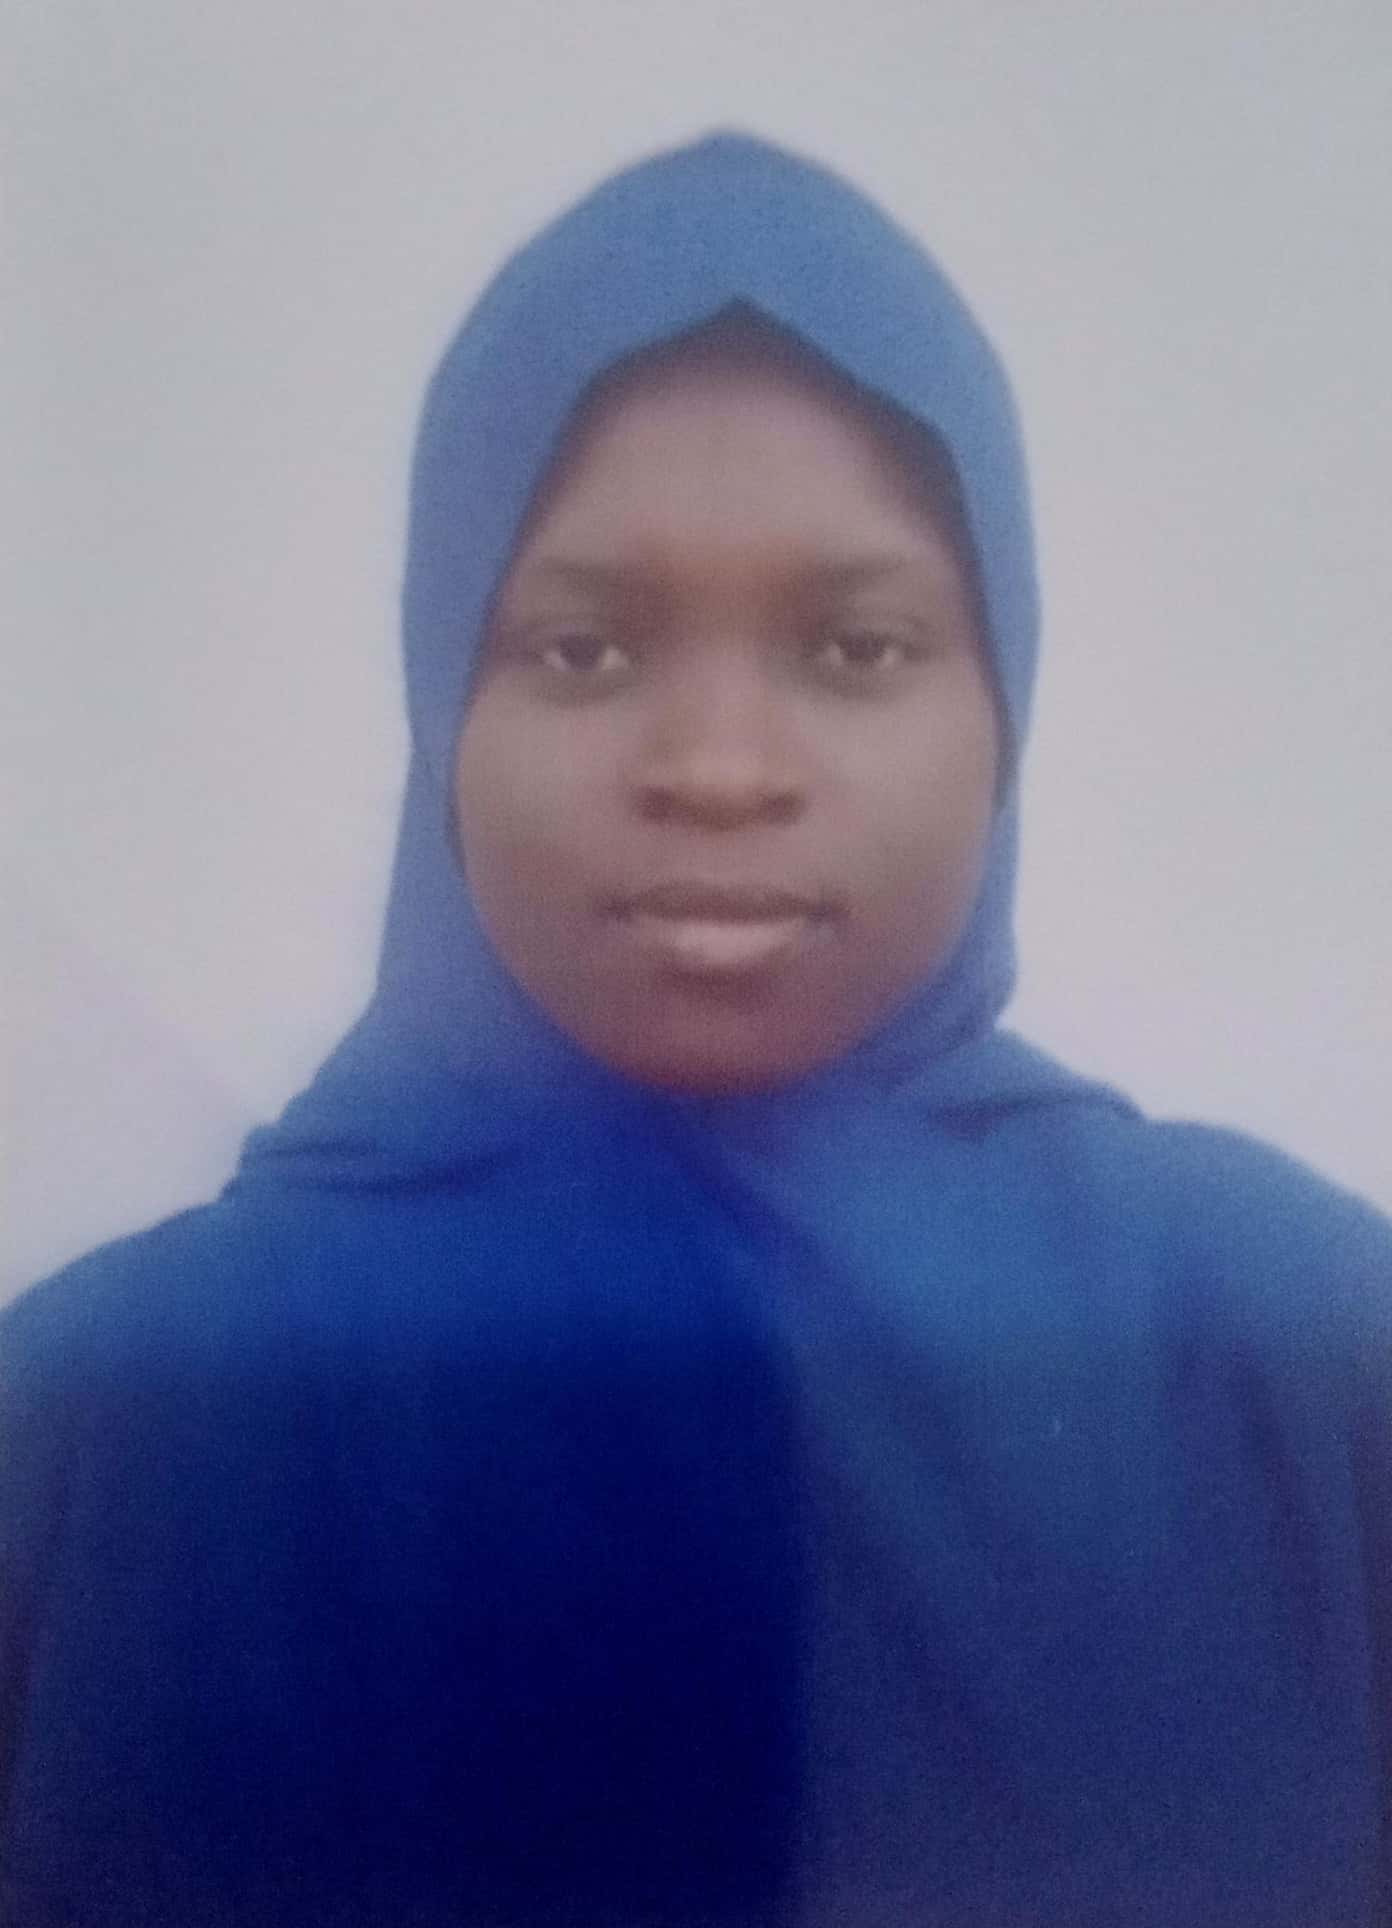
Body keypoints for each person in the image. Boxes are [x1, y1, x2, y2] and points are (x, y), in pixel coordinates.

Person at [2, 130, 1389, 1928]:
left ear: (1005, 711)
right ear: (444, 707)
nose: (719, 770)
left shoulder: (1300, 1355)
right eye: (583, 650)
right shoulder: (101, 1418)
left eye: (856, 649)